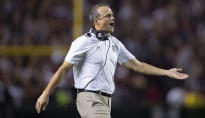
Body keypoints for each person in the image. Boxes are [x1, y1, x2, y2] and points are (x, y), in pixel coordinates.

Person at [35, 3, 189, 118]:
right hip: (89, 98)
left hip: (106, 101)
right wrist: (45, 93)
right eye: (107, 15)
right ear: (96, 21)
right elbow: (64, 69)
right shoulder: (82, 42)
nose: (112, 18)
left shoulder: (115, 43)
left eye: (112, 15)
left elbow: (138, 65)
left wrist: (166, 72)